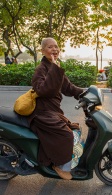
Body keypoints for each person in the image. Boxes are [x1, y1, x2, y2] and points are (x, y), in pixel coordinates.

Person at [27, 37, 84, 180]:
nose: (54, 50)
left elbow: (68, 87)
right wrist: (54, 68)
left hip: (53, 112)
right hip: (42, 113)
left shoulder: (54, 67)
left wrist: (85, 93)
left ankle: (56, 159)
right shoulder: (41, 69)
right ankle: (59, 165)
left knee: (74, 129)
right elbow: (42, 90)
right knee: (66, 135)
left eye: (56, 47)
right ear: (43, 51)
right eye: (50, 47)